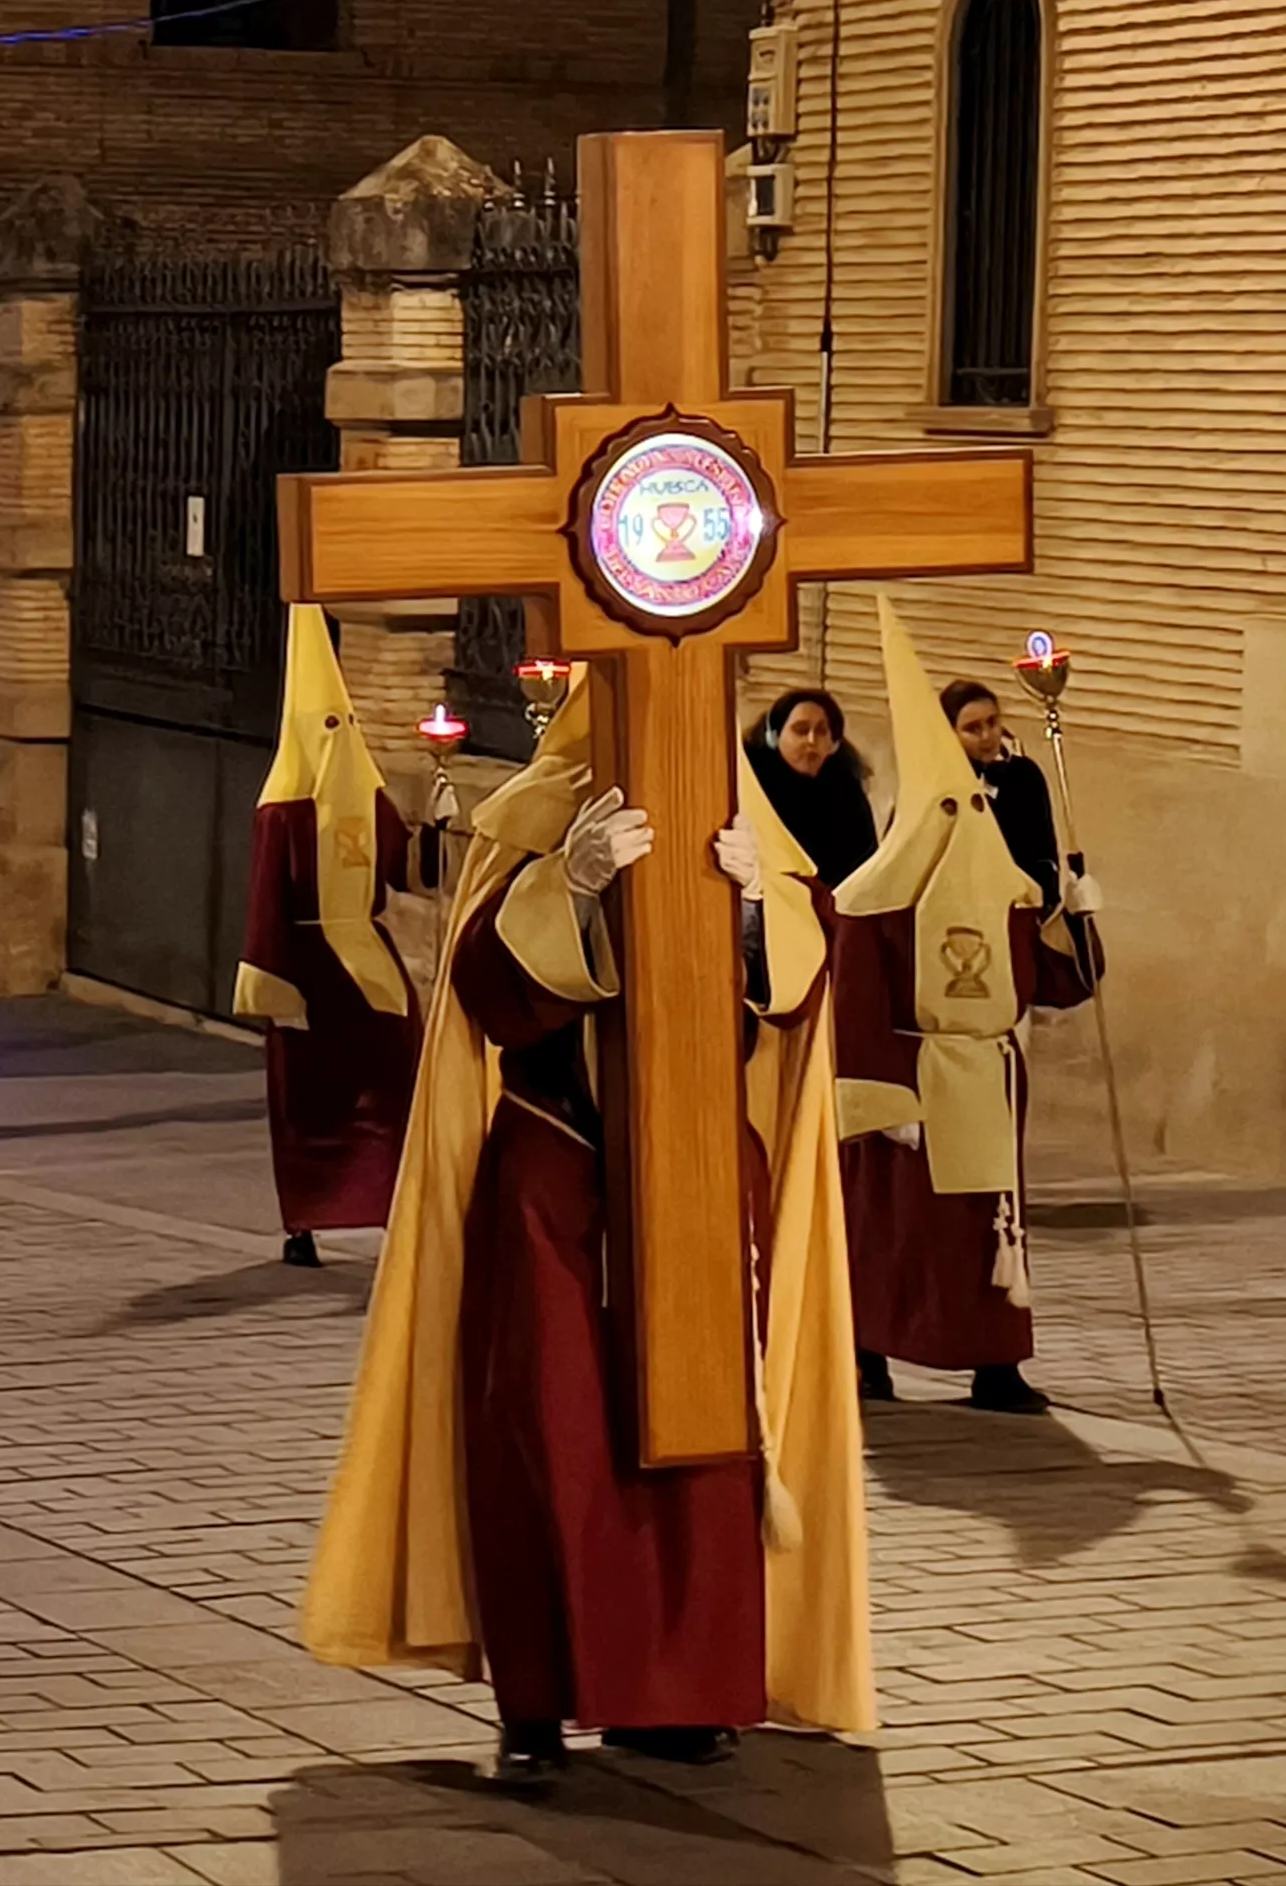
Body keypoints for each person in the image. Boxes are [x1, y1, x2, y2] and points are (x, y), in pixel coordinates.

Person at [302, 664, 877, 1782]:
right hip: (553, 1169)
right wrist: (563, 890)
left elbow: (797, 992)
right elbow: (484, 989)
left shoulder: (739, 817)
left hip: (699, 1169)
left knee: (704, 1438)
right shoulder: (530, 817)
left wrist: (755, 906)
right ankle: (538, 1699)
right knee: (547, 1434)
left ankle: (677, 1692)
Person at [832, 601, 1098, 1414]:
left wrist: (1081, 918)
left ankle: (994, 1362)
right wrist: (881, 1098)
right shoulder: (875, 894)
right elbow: (855, 1002)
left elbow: (1052, 981)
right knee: (895, 1230)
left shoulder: (1005, 888)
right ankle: (867, 1353)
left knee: (990, 1224)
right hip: (913, 1084)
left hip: (985, 1077)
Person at [234, 607, 416, 1267]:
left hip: (370, 969)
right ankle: (306, 1219)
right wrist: (270, 981)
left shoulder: (371, 800)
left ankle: (393, 1205)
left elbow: (408, 872)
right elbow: (265, 902)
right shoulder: (281, 813)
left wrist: (438, 821)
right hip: (308, 974)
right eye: (327, 727)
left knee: (390, 1096)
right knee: (310, 1106)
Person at [940, 682, 1065, 916]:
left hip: (1022, 911)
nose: (987, 736)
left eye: (992, 722)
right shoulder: (939, 790)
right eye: (972, 729)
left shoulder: (1025, 775)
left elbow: (1043, 850)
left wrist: (1050, 894)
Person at [750, 688, 878, 885]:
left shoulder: (847, 796)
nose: (811, 741)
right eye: (801, 730)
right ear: (774, 737)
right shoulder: (753, 789)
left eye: (821, 731)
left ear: (834, 743)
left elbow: (863, 870)